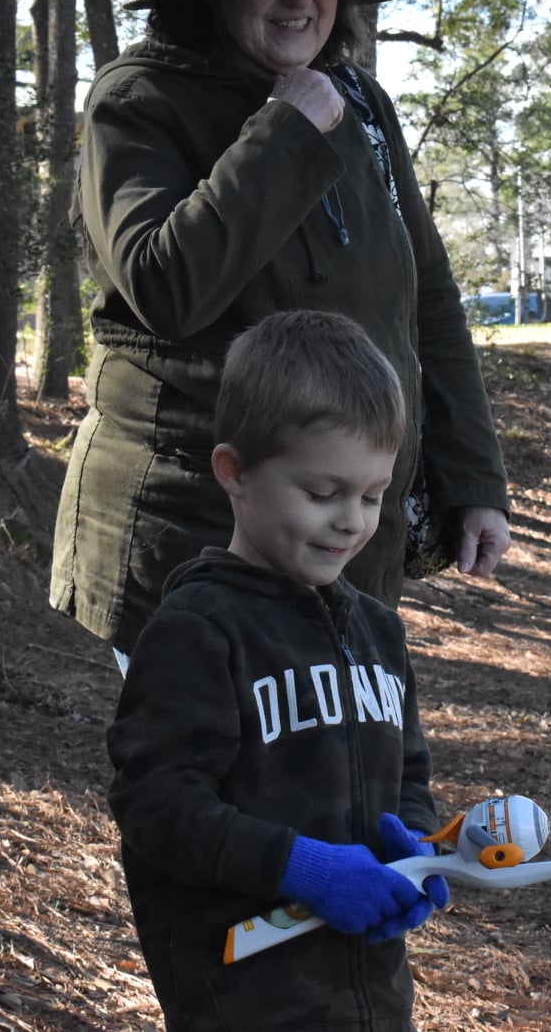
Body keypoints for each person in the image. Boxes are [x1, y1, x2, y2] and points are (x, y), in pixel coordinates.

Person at [51, 0, 511, 662]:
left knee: (343, 774)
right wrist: (284, 132)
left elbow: (425, 298)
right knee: (203, 778)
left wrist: (473, 478)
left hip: (348, 549)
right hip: (196, 543)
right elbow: (163, 284)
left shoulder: (362, 103)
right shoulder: (138, 99)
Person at [108, 310, 450, 1032]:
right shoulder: (200, 632)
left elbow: (409, 773)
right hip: (244, 1003)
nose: (352, 521)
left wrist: (413, 846)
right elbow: (157, 807)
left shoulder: (379, 632)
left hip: (373, 1001)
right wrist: (308, 870)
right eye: (322, 493)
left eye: (373, 494)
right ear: (234, 472)